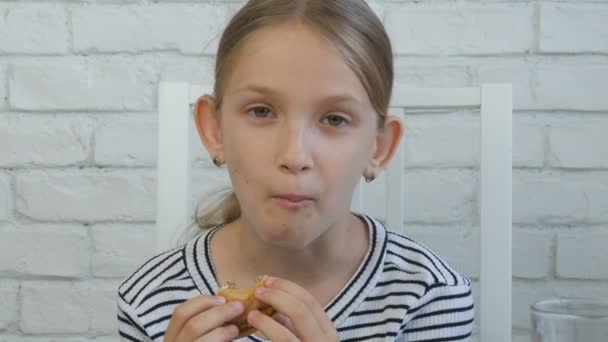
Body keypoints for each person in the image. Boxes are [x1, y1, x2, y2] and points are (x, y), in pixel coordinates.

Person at [116, 0, 474, 341]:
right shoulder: (150, 298)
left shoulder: (429, 295)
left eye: (335, 118)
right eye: (261, 111)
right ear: (214, 130)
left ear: (378, 147)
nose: (295, 155)